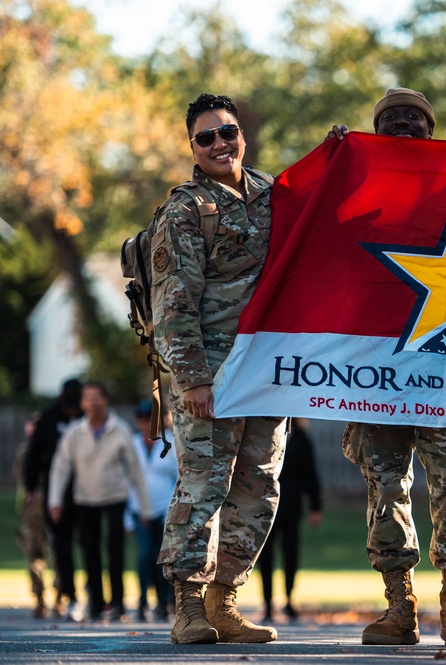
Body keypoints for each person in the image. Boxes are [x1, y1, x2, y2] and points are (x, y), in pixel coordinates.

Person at [328, 88, 446, 648]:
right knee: (386, 487)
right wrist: (335, 166)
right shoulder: (357, 194)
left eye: (413, 119)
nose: (400, 125)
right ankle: (399, 605)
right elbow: (314, 231)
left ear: (431, 130)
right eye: (389, 119)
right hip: (377, 373)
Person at [151, 92, 287, 645]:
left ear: (241, 135)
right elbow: (173, 302)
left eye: (226, 132)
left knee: (259, 485)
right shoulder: (185, 209)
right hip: (211, 373)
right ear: (192, 146)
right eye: (205, 137)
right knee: (203, 487)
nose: (219, 144)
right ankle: (187, 606)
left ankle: (224, 601)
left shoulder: (275, 195)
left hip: (266, 372)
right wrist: (193, 380)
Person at [47, 381, 152, 622]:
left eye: (96, 396)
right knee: (89, 549)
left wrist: (144, 508)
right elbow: (60, 467)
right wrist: (55, 500)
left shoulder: (120, 430)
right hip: (85, 498)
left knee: (115, 549)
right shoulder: (74, 432)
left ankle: (117, 603)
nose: (92, 401)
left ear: (105, 400)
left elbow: (136, 472)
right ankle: (95, 603)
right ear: (83, 403)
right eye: (88, 397)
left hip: (115, 496)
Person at [22, 378, 83, 621]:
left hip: (87, 490)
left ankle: (91, 593)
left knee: (88, 543)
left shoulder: (87, 417)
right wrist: (30, 487)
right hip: (55, 491)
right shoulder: (48, 418)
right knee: (60, 544)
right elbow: (33, 455)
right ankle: (67, 595)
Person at [258, 418, 322, 622]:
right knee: (265, 555)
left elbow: (311, 472)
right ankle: (267, 603)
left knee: (290, 552)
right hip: (265, 505)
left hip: (291, 506)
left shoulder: (301, 437)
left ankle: (288, 599)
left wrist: (315, 506)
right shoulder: (262, 434)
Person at [127, 401, 178, 622]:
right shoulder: (132, 443)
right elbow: (126, 479)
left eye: (150, 419)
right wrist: (127, 516)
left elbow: (179, 477)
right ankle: (141, 601)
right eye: (142, 420)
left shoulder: (172, 442)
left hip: (165, 508)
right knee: (144, 555)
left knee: (163, 558)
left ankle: (163, 602)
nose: (146, 424)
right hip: (139, 509)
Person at [14, 414, 48, 619]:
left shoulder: (50, 450)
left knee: (56, 554)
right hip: (30, 513)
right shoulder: (24, 453)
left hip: (51, 508)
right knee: (34, 556)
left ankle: (61, 594)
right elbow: (21, 481)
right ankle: (40, 598)